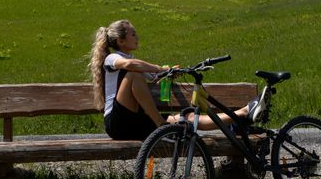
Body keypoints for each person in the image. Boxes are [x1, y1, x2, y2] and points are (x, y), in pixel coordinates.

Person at [89, 19, 263, 140]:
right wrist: (158, 68)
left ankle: (244, 113)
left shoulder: (136, 65)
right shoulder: (112, 60)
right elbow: (131, 65)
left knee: (186, 118)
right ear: (120, 41)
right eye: (133, 34)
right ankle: (160, 124)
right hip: (116, 123)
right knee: (134, 73)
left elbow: (154, 76)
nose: (137, 37)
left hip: (136, 122)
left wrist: (169, 72)